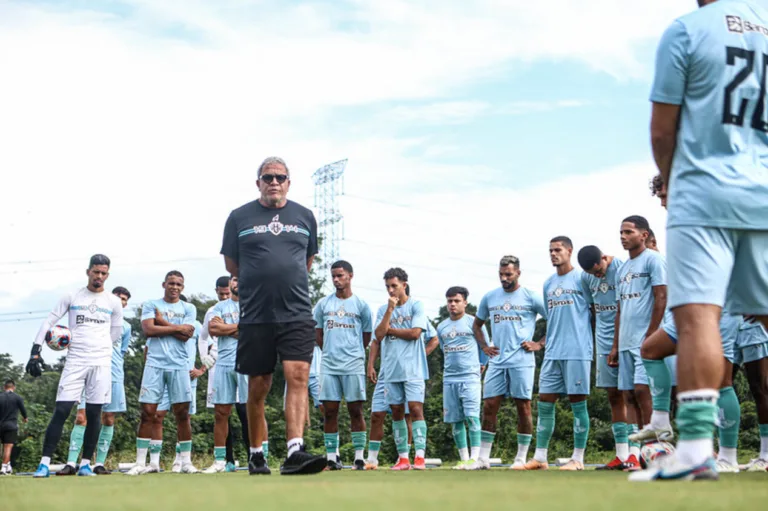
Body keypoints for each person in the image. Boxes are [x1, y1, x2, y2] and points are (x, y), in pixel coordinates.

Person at [633, 0, 768, 481]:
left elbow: (662, 130)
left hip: (706, 191)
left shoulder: (687, 30)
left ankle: (693, 449)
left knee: (697, 315)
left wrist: (673, 182)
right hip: (763, 187)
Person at [220, 156, 325, 476]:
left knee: (298, 377)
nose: (274, 182)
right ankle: (256, 454)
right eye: (268, 177)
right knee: (259, 385)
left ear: (289, 182)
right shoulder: (239, 217)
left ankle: (295, 450)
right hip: (255, 314)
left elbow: (306, 262)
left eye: (280, 177)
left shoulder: (305, 216)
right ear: (258, 183)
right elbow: (231, 265)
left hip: (296, 312)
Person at [26, 255, 123, 478]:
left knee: (94, 412)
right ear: (88, 271)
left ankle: (86, 464)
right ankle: (44, 463)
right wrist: (35, 350)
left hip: (100, 363)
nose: (99, 276)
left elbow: (114, 333)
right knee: (61, 410)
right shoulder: (72, 296)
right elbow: (49, 321)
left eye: (103, 273)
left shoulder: (113, 302)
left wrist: (99, 348)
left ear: (107, 275)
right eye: (95, 272)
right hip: (75, 361)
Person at [524, 237, 593, 471]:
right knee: (544, 401)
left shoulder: (583, 278)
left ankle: (578, 459)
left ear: (569, 251)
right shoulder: (548, 283)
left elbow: (594, 310)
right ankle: (540, 458)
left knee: (577, 403)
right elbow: (551, 318)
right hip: (553, 352)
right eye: (550, 250)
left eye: (558, 250)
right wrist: (541, 344)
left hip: (578, 350)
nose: (553, 254)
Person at [473, 255, 545, 470]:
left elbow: (557, 320)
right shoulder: (490, 297)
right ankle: (483, 458)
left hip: (522, 360)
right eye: (501, 274)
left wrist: (539, 344)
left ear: (518, 273)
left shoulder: (531, 296)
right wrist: (485, 347)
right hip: (497, 360)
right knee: (489, 406)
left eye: (508, 274)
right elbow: (477, 325)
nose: (504, 278)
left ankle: (521, 457)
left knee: (523, 407)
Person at [127, 271, 198, 475]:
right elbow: (148, 330)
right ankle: (141, 462)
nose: (174, 287)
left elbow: (187, 336)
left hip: (179, 365)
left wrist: (163, 323)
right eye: (171, 283)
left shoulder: (189, 307)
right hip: (155, 364)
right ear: (164, 284)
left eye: (178, 284)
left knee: (182, 414)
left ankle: (185, 462)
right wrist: (177, 328)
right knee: (148, 413)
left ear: (182, 287)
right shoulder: (151, 304)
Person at [62, 286, 132, 475]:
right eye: (118, 297)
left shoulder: (126, 327)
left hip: (114, 374)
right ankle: (71, 462)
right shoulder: (96, 318)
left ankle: (98, 464)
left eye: (125, 299)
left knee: (108, 419)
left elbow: (122, 352)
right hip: (90, 369)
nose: (121, 300)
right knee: (81, 417)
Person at [578, 246, 637, 470]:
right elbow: (592, 309)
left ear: (604, 258)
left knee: (632, 394)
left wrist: (617, 344)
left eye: (599, 270)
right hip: (602, 342)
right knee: (613, 396)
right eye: (594, 274)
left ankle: (636, 453)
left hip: (626, 338)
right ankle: (621, 455)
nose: (598, 276)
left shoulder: (622, 268)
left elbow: (625, 305)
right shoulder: (586, 277)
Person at [609, 216, 667, 438]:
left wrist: (651, 335)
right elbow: (620, 309)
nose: (623, 237)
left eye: (628, 232)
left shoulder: (654, 260)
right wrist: (615, 346)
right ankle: (638, 451)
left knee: (644, 391)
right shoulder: (622, 270)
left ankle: (657, 445)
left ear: (644, 235)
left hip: (646, 342)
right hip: (625, 342)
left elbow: (661, 296)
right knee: (629, 395)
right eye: (621, 233)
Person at [314, 260, 373, 471]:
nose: (336, 280)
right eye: (333, 276)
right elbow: (317, 333)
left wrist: (354, 352)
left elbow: (367, 336)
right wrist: (329, 350)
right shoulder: (323, 304)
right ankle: (332, 457)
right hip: (329, 364)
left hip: (353, 364)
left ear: (350, 276)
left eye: (340, 275)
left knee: (355, 410)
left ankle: (359, 457)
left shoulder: (361, 305)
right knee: (329, 411)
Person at [374, 267, 429, 471]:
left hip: (413, 369)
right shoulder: (383, 309)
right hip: (391, 369)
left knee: (415, 410)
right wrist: (389, 310)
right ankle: (403, 458)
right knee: (396, 412)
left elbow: (415, 333)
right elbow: (379, 336)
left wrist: (391, 330)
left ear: (404, 285)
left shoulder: (417, 305)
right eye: (387, 286)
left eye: (394, 286)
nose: (390, 290)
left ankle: (420, 458)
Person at [437, 287, 489, 470]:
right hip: (450, 378)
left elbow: (485, 347)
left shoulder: (474, 323)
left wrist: (481, 365)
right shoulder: (441, 327)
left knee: (472, 417)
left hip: (470, 377)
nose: (452, 304)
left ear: (465, 302)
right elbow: (443, 349)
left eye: (456, 301)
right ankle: (464, 458)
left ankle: (475, 458)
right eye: (449, 301)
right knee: (455, 420)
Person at [203, 277, 250, 473]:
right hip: (223, 364)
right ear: (230, 283)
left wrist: (226, 329)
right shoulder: (219, 307)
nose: (238, 283)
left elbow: (256, 330)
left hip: (249, 362)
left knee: (253, 412)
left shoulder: (255, 304)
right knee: (221, 413)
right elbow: (213, 329)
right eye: (235, 279)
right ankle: (220, 461)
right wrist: (240, 327)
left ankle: (259, 456)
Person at [733, 318, 768, 471]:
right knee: (721, 386)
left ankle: (766, 455)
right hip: (729, 326)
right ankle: (725, 455)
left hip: (753, 327)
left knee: (760, 389)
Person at [1, 379, 28, 475]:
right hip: (11, 425)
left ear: (4, 387)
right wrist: (25, 418)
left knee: (3, 447)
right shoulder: (17, 398)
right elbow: (23, 410)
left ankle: (8, 466)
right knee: (8, 447)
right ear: (14, 387)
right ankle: (3, 467)